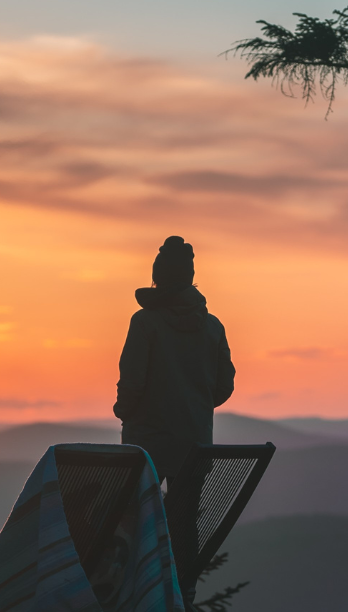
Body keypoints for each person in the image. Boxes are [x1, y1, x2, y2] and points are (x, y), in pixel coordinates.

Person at [113, 235, 235, 608]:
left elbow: (132, 383)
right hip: (193, 446)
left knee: (133, 520)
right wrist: (193, 405)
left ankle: (132, 593)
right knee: (184, 524)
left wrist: (124, 410)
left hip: (146, 445)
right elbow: (223, 387)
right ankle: (183, 596)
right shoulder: (212, 327)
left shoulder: (145, 322)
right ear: (190, 278)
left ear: (157, 277)